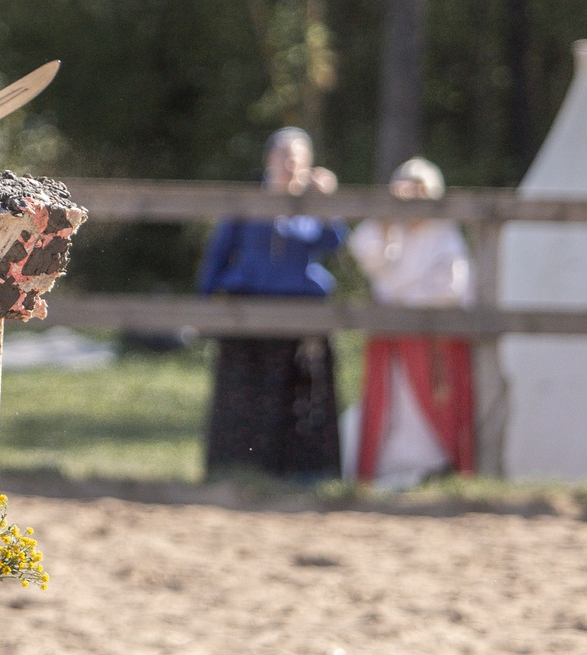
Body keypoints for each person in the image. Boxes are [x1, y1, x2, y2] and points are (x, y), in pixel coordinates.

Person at [198, 127, 346, 479]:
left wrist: (329, 205)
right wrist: (204, 305)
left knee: (302, 396)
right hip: (247, 313)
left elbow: (335, 244)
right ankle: (238, 468)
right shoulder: (248, 201)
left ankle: (300, 472)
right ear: (269, 159)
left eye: (297, 157)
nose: (290, 164)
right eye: (283, 155)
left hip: (301, 315)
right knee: (244, 396)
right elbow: (218, 254)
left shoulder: (312, 205)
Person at [347, 156, 476, 489]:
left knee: (431, 407)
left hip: (430, 338)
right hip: (391, 338)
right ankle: (388, 469)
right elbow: (366, 252)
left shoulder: (444, 233)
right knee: (392, 407)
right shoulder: (392, 229)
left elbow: (452, 287)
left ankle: (435, 466)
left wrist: (406, 299)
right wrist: (387, 218)